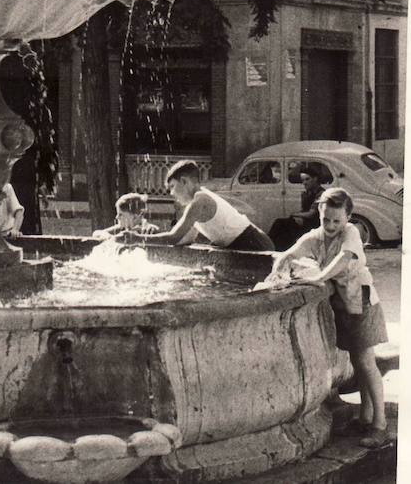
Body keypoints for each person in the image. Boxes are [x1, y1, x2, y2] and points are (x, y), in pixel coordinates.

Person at [265, 188, 388, 448]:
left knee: (367, 363)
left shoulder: (351, 233)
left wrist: (317, 277)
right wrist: (278, 269)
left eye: (337, 221)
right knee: (358, 361)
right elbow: (290, 252)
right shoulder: (317, 236)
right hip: (345, 305)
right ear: (319, 215)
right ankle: (365, 417)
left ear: (348, 218)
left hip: (363, 302)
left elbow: (344, 260)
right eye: (326, 220)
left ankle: (380, 424)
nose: (331, 226)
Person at [116, 160, 274, 251]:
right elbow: (185, 239)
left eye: (172, 186)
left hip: (255, 244)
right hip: (250, 244)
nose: (171, 193)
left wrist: (136, 238)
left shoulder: (200, 201)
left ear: (184, 182)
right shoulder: (196, 203)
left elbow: (173, 237)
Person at [268, 166, 326, 251]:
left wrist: (294, 214)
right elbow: (304, 210)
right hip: (306, 221)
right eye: (303, 180)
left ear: (315, 179)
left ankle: (275, 248)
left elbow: (311, 213)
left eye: (307, 179)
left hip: (315, 223)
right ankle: (274, 248)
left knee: (282, 224)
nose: (304, 183)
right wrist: (298, 217)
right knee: (282, 224)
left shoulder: (321, 193)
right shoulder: (308, 193)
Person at [92, 193, 161, 240]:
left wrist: (139, 237)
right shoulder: (121, 228)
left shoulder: (149, 230)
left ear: (136, 216)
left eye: (120, 214)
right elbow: (96, 233)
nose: (117, 217)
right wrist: (110, 237)